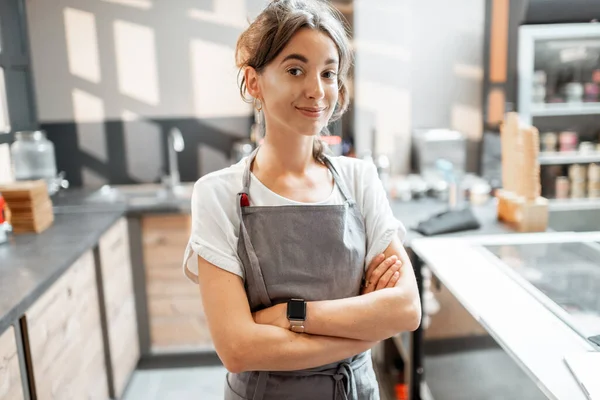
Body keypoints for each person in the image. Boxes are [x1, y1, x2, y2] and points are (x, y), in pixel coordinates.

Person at [182, 1, 421, 398]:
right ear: (254, 81)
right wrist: (362, 333)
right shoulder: (218, 194)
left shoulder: (359, 179)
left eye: (328, 73)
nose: (317, 90)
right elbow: (238, 348)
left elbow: (406, 309)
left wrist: (292, 315)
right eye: (296, 70)